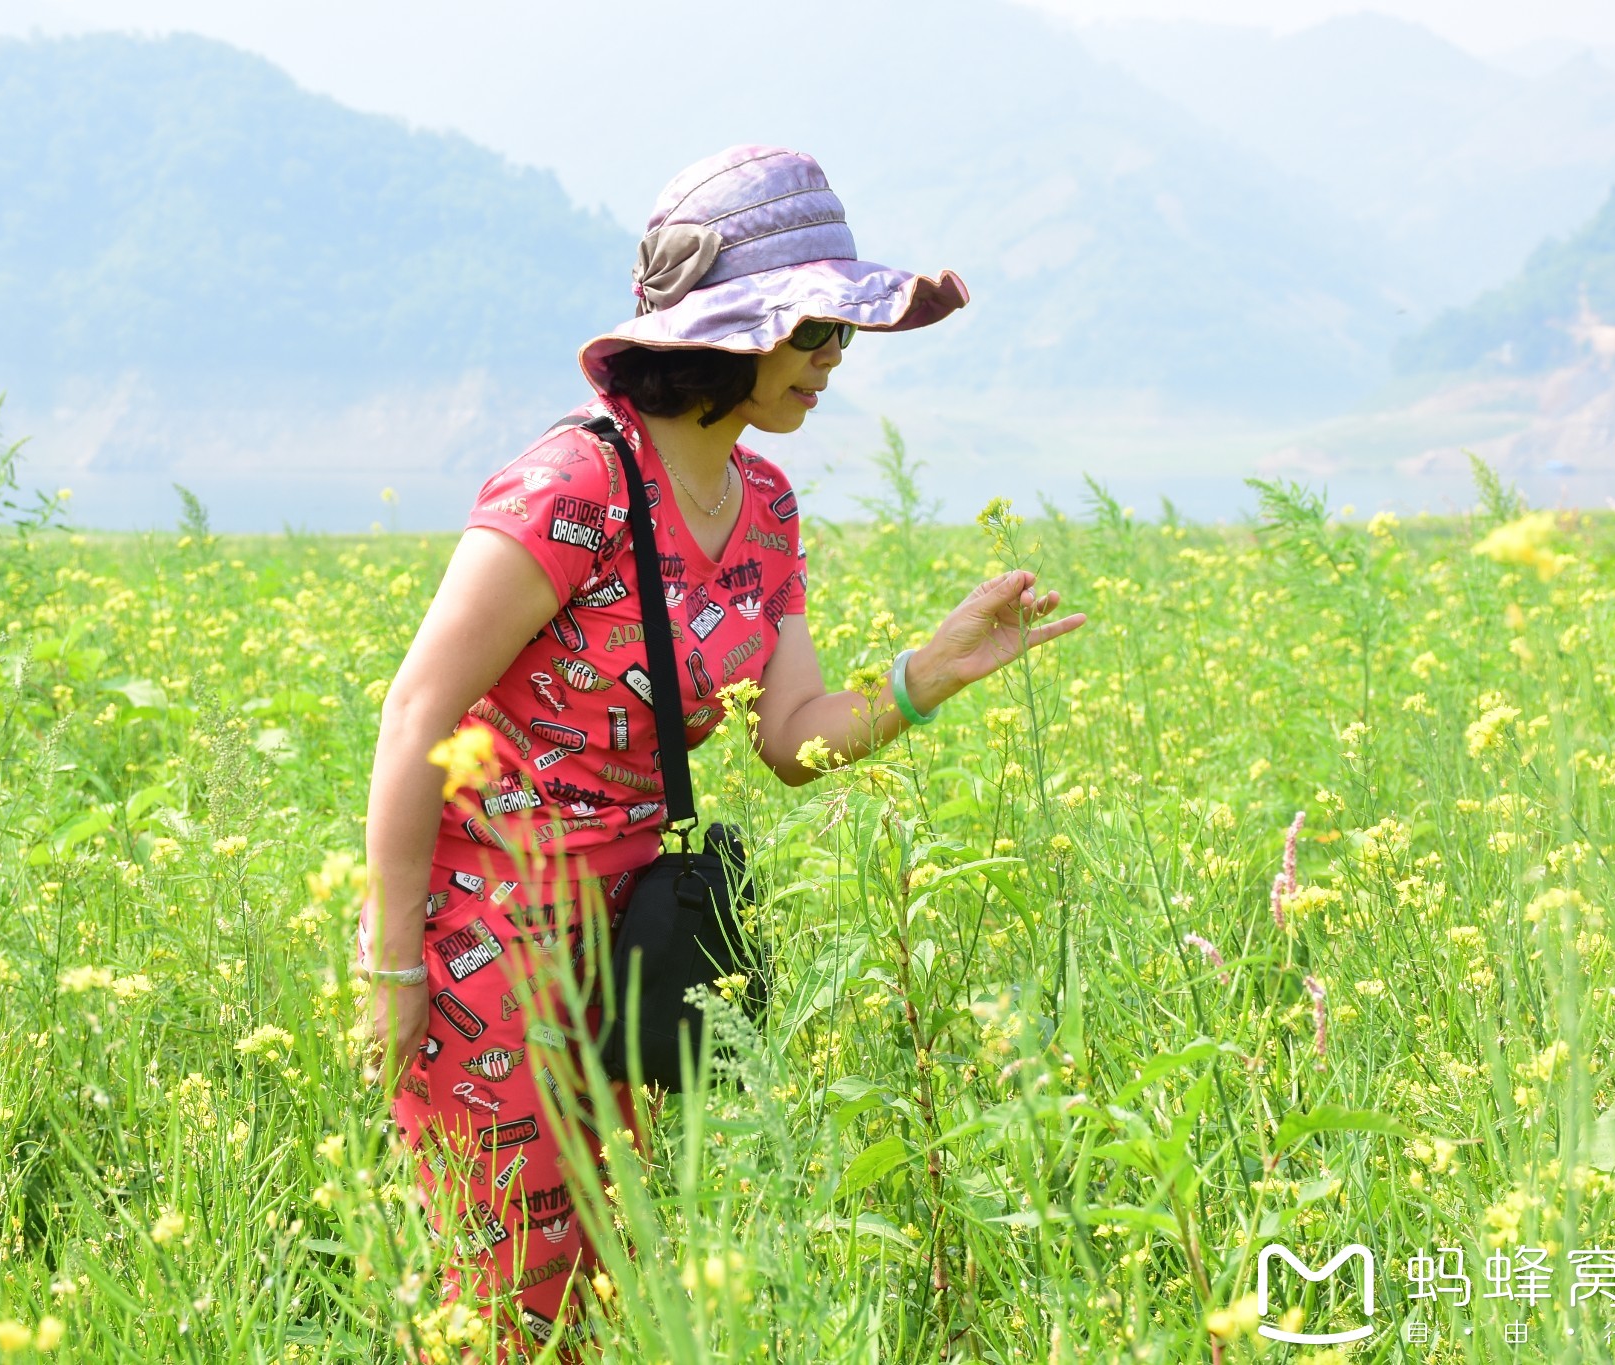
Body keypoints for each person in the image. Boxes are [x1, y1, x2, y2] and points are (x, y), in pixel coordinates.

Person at [358, 145, 1085, 1354]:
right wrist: (391, 973)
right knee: (504, 1292)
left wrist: (926, 674)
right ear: (728, 333)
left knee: (619, 1273)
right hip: (493, 940)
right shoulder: (569, 487)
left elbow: (793, 743)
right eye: (813, 337)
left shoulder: (765, 503)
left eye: (841, 341)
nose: (830, 367)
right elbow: (412, 716)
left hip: (642, 941)